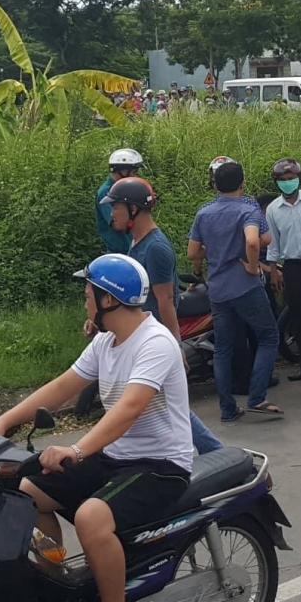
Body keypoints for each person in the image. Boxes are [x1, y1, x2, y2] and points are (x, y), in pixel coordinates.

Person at [0, 255, 192, 602]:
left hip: (161, 464)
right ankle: (60, 584)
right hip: (115, 458)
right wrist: (3, 422)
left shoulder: (155, 342)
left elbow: (129, 409)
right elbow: (62, 387)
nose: (85, 301)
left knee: (93, 516)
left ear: (108, 299)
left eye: (88, 294)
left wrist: (76, 448)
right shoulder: (105, 343)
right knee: (23, 490)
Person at [103, 177, 221, 454]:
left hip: (154, 341)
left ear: (133, 209)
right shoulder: (137, 243)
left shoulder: (155, 247)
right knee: (164, 407)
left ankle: (219, 456)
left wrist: (175, 346)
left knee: (168, 406)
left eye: (116, 207)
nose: (112, 214)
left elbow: (166, 301)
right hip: (140, 336)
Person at [187, 158, 281, 422]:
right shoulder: (248, 207)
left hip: (218, 290)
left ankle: (227, 409)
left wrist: (216, 250)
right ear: (242, 182)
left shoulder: (204, 213)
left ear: (215, 184)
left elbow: (193, 251)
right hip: (245, 287)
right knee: (268, 337)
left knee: (223, 349)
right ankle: (257, 397)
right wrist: (253, 267)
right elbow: (255, 240)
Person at [264, 159, 301, 386]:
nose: (288, 184)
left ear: (299, 179)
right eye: (283, 181)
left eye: (292, 179)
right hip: (292, 267)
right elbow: (273, 243)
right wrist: (273, 271)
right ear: (277, 183)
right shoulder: (273, 209)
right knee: (299, 317)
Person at [97, 148, 143, 255]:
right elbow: (117, 224)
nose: (136, 176)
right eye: (134, 172)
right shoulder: (106, 192)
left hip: (132, 248)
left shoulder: (124, 189)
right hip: (120, 251)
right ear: (122, 171)